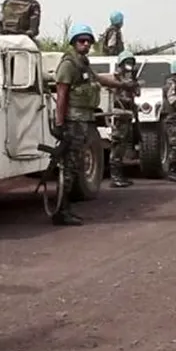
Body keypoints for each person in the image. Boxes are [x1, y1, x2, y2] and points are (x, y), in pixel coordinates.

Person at [53, 24, 137, 224]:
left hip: (83, 121)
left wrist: (123, 85)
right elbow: (62, 94)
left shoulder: (82, 63)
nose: (86, 44)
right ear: (74, 42)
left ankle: (65, 209)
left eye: (88, 41)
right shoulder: (68, 64)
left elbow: (98, 79)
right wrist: (59, 123)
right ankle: (61, 211)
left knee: (75, 167)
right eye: (81, 40)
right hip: (73, 122)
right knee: (69, 167)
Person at [109, 50, 140, 188]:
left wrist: (134, 81)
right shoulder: (115, 78)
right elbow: (115, 96)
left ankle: (119, 176)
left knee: (122, 146)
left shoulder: (130, 78)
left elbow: (137, 93)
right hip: (119, 114)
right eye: (127, 62)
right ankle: (115, 177)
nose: (129, 65)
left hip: (127, 114)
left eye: (131, 63)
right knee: (117, 145)